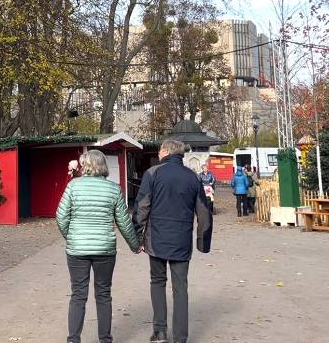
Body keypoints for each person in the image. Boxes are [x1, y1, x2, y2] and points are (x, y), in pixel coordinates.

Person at [132, 139, 213, 343]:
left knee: (157, 282)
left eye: (160, 150)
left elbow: (142, 206)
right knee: (180, 288)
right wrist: (203, 242)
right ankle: (180, 337)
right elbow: (204, 211)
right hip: (181, 239)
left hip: (156, 239)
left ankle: (159, 331)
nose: (158, 152)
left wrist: (136, 236)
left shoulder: (153, 173)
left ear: (166, 151)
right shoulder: (193, 177)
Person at [56, 150, 140, 343]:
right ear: (103, 166)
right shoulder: (114, 189)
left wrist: (71, 238)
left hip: (77, 250)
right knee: (103, 294)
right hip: (105, 250)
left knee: (78, 294)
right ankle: (105, 339)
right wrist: (135, 246)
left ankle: (73, 339)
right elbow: (124, 222)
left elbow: (61, 217)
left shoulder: (73, 187)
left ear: (86, 166)